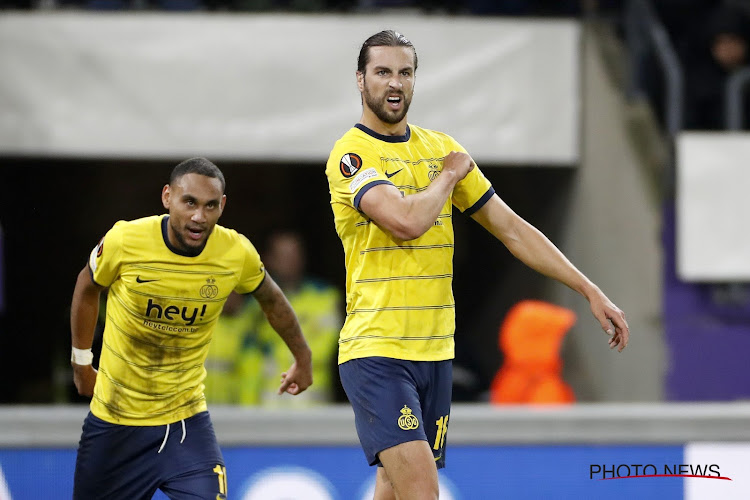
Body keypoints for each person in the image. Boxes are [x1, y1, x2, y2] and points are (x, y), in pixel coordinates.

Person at [324, 30, 630, 500]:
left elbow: (513, 230)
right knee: (424, 492)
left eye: (405, 72)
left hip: (436, 353)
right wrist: (448, 175)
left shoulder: (438, 145)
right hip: (378, 352)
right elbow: (405, 222)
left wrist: (590, 290)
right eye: (382, 72)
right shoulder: (352, 154)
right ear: (360, 81)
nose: (395, 83)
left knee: (392, 487)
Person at [70, 157, 313, 500]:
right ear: (167, 197)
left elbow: (272, 299)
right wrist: (82, 363)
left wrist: (303, 358)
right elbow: (87, 286)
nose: (199, 217)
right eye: (190, 203)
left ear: (222, 206)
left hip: (186, 426)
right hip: (115, 424)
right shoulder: (126, 239)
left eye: (210, 206)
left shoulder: (234, 251)